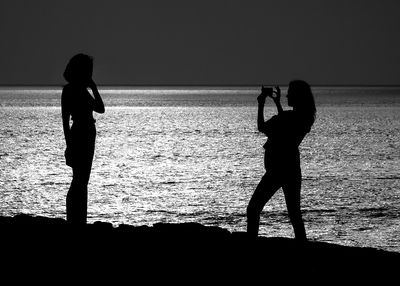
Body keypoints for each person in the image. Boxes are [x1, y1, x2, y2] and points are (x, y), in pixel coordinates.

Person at [246, 80, 316, 241]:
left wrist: (261, 103)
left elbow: (262, 126)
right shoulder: (304, 118)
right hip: (290, 169)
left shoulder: (293, 118)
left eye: (290, 92)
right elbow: (285, 123)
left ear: (298, 96)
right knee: (294, 215)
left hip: (278, 171)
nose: (287, 95)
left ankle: (250, 247)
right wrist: (277, 104)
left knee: (253, 209)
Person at [61, 53, 105, 225]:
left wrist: (94, 88)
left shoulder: (82, 91)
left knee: (82, 179)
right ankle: (75, 219)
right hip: (80, 132)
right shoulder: (70, 90)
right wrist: (69, 144)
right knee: (79, 179)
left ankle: (79, 219)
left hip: (87, 132)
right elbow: (65, 120)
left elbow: (101, 109)